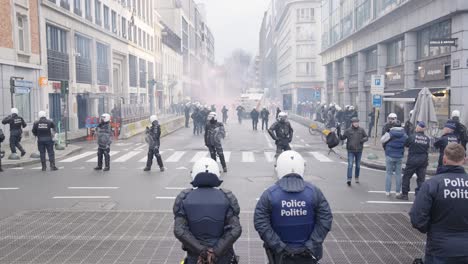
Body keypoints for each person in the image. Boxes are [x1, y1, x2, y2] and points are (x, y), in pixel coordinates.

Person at [254, 151, 332, 264]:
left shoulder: (270, 194)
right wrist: (311, 245)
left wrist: (279, 246)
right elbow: (325, 220)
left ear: (279, 168)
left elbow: (260, 222)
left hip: (280, 256)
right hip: (309, 255)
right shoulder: (314, 192)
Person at [173, 157, 242, 264]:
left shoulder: (184, 198)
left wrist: (202, 250)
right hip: (222, 256)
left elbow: (179, 230)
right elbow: (235, 229)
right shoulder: (227, 197)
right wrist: (215, 252)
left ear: (194, 173)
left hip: (196, 257)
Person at [410, 143, 468, 264]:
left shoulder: (433, 184)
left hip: (440, 248)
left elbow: (417, 218)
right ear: (464, 160)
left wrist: (431, 229)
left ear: (444, 159)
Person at [396, 122, 430, 200]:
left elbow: (406, 144)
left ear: (417, 128)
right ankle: (420, 195)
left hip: (412, 160)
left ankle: (405, 194)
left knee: (406, 177)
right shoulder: (427, 139)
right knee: (421, 179)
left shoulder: (412, 137)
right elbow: (428, 147)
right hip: (423, 161)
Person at [339, 117, 368, 186]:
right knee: (350, 165)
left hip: (359, 150)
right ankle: (349, 179)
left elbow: (366, 137)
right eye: (355, 122)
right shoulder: (348, 130)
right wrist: (338, 132)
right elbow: (342, 138)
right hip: (350, 150)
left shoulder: (361, 130)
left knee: (358, 165)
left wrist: (362, 140)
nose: (356, 123)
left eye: (357, 122)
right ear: (352, 123)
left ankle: (357, 177)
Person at [381, 121, 408, 196]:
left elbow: (382, 140)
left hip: (389, 155)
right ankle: (398, 192)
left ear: (393, 126)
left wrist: (387, 132)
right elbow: (407, 143)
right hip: (399, 156)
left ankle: (387, 191)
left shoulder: (390, 133)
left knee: (389, 173)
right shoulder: (404, 134)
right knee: (398, 174)